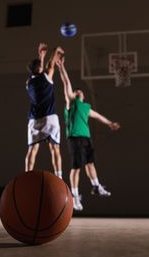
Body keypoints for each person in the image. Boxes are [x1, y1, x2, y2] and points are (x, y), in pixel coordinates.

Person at [57, 55, 120, 211]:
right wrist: (61, 67)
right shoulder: (71, 103)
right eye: (75, 91)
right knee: (76, 168)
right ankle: (75, 197)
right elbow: (66, 83)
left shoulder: (86, 107)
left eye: (80, 91)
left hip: (86, 138)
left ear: (83, 95)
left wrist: (109, 123)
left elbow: (97, 116)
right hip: (74, 138)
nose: (77, 91)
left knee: (90, 163)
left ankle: (96, 186)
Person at [25, 43, 63, 178]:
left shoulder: (28, 82)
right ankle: (59, 177)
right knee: (55, 149)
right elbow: (51, 64)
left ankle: (26, 176)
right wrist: (55, 50)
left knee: (32, 150)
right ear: (40, 68)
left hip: (34, 120)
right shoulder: (46, 77)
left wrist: (41, 57)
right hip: (49, 118)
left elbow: (39, 70)